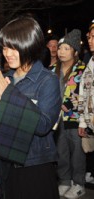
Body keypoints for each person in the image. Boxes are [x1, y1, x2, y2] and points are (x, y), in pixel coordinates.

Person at [0, 16, 61, 199]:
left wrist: (9, 96)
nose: (7, 53)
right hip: (5, 163)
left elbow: (43, 125)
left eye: (13, 47)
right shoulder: (6, 77)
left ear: (29, 45)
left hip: (34, 166)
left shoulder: (47, 80)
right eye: (4, 47)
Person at [54, 29, 87, 198]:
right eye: (60, 48)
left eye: (66, 48)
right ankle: (65, 181)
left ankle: (79, 183)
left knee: (77, 153)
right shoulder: (52, 69)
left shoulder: (83, 69)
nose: (61, 52)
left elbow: (88, 95)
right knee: (61, 152)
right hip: (57, 119)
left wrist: (72, 103)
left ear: (75, 51)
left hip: (76, 119)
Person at [78, 21, 94, 187]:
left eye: (93, 37)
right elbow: (84, 93)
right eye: (89, 37)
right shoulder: (90, 62)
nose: (90, 40)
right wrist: (83, 120)